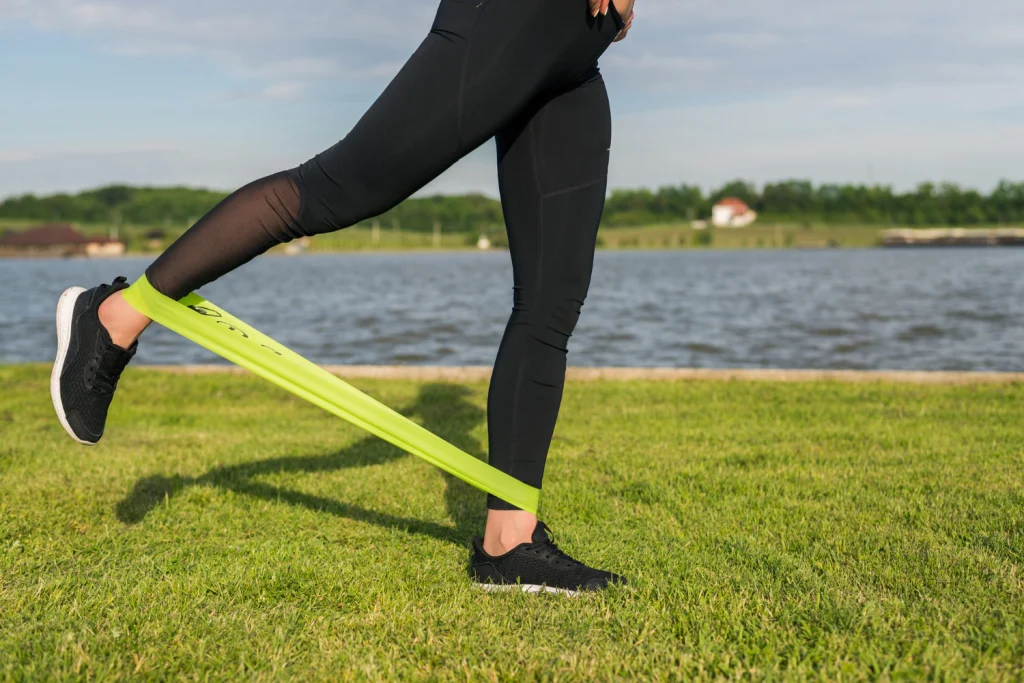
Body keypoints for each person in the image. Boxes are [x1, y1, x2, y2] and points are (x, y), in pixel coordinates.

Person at [51, 0, 635, 596]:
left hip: (580, 49)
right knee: (339, 187)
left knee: (552, 298)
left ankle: (508, 543)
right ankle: (114, 316)